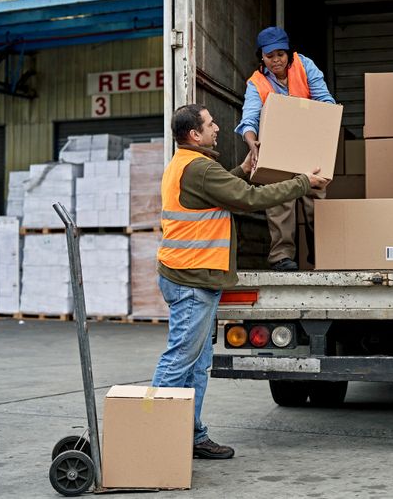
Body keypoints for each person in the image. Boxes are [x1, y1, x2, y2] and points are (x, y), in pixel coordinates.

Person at [153, 104, 329, 459]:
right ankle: (154, 443)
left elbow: (220, 192)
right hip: (192, 280)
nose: (217, 128)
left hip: (188, 275)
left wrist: (244, 171)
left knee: (197, 364)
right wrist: (301, 184)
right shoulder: (199, 168)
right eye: (210, 123)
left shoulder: (185, 164)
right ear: (194, 135)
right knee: (178, 362)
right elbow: (248, 200)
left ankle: (191, 435)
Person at [234, 26, 336, 271]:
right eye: (270, 56)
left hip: (309, 142)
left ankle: (321, 253)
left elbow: (325, 101)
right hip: (276, 147)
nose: (276, 60)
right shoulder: (256, 83)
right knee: (279, 200)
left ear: (289, 52)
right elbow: (249, 118)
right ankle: (281, 257)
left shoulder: (304, 65)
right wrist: (252, 141)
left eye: (281, 54)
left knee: (315, 200)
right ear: (262, 57)